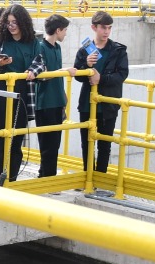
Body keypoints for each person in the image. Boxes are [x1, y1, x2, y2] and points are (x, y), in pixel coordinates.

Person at [0, 4, 38, 183]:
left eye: (15, 22)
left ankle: (12, 180)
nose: (11, 26)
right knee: (1, 140)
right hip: (2, 91)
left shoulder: (33, 42)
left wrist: (32, 70)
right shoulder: (0, 41)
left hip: (23, 92)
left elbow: (40, 62)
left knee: (16, 141)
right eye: (8, 22)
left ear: (23, 22)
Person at [77, 10, 130, 175]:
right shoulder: (85, 50)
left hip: (108, 105)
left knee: (104, 144)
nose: (106, 31)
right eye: (103, 28)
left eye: (109, 28)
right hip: (87, 103)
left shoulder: (118, 50)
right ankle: (88, 177)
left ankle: (100, 179)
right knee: (87, 143)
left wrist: (101, 79)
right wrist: (86, 65)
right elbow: (78, 75)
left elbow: (122, 74)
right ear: (94, 27)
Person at [35, 15, 71, 178]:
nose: (65, 34)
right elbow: (40, 75)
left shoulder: (57, 47)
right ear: (58, 30)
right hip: (44, 102)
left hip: (57, 101)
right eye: (64, 31)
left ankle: (48, 175)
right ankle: (46, 176)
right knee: (47, 143)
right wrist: (62, 72)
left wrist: (63, 96)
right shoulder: (40, 47)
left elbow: (56, 74)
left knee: (55, 142)